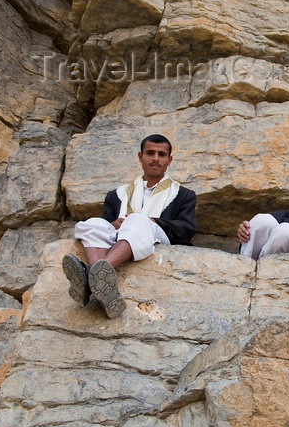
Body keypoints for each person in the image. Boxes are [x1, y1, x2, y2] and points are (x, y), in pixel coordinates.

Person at [62, 134, 197, 318]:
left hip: (157, 236)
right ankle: (101, 282)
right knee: (93, 224)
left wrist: (154, 221)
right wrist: (114, 224)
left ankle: (90, 277)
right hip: (122, 234)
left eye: (161, 154)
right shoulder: (117, 194)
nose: (155, 158)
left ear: (169, 160)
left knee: (138, 219)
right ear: (140, 157)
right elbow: (105, 227)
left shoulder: (183, 194)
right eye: (150, 153)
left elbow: (187, 229)